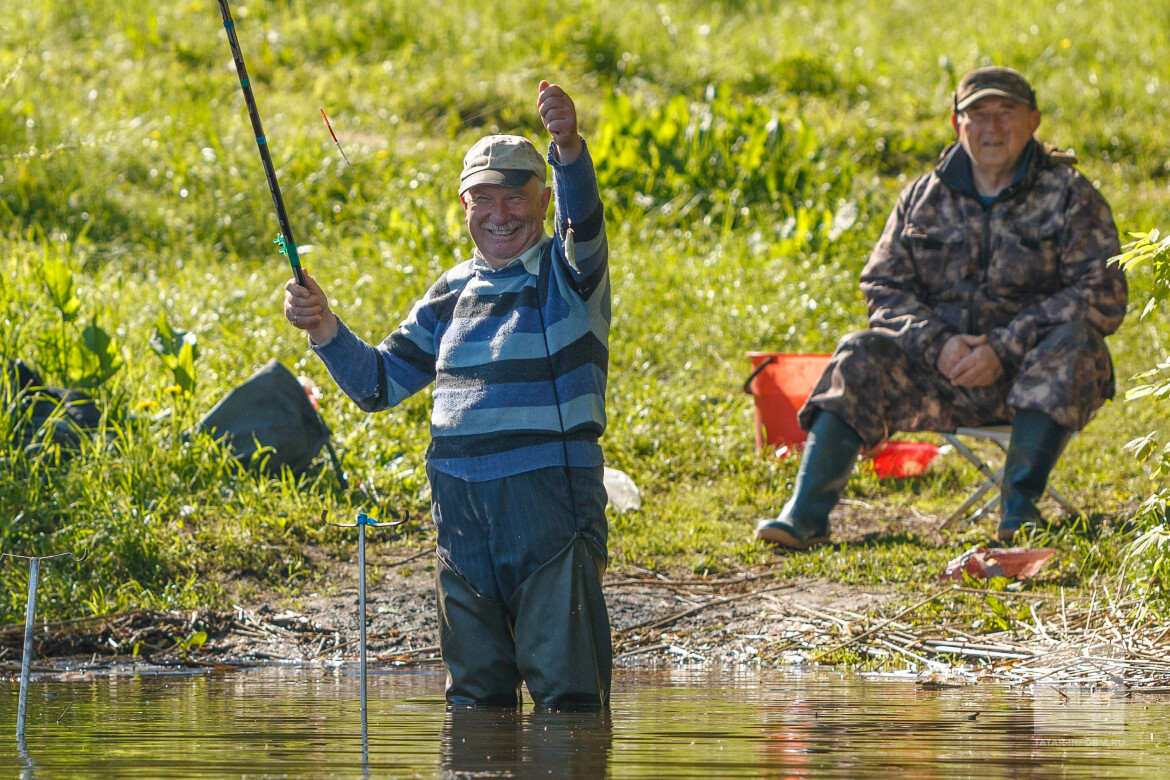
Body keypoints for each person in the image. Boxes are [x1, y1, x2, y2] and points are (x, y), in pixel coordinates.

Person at [284, 81, 612, 708]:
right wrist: (323, 326)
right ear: (464, 206)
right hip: (460, 517)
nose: (499, 213)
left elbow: (584, 221)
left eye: (515, 196)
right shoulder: (451, 290)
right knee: (473, 701)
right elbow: (378, 383)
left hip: (549, 505)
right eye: (483, 198)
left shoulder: (571, 273)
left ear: (543, 200)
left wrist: (568, 148)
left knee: (568, 700)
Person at [753, 66, 1128, 548]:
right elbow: (883, 286)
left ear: (1033, 121)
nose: (992, 127)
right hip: (937, 379)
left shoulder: (1071, 195)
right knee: (858, 352)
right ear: (957, 124)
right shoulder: (922, 196)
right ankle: (803, 516)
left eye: (1007, 112)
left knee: (1076, 341)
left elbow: (1103, 291)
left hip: (1034, 377)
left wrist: (1003, 348)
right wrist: (939, 344)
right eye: (978, 114)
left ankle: (1019, 511)